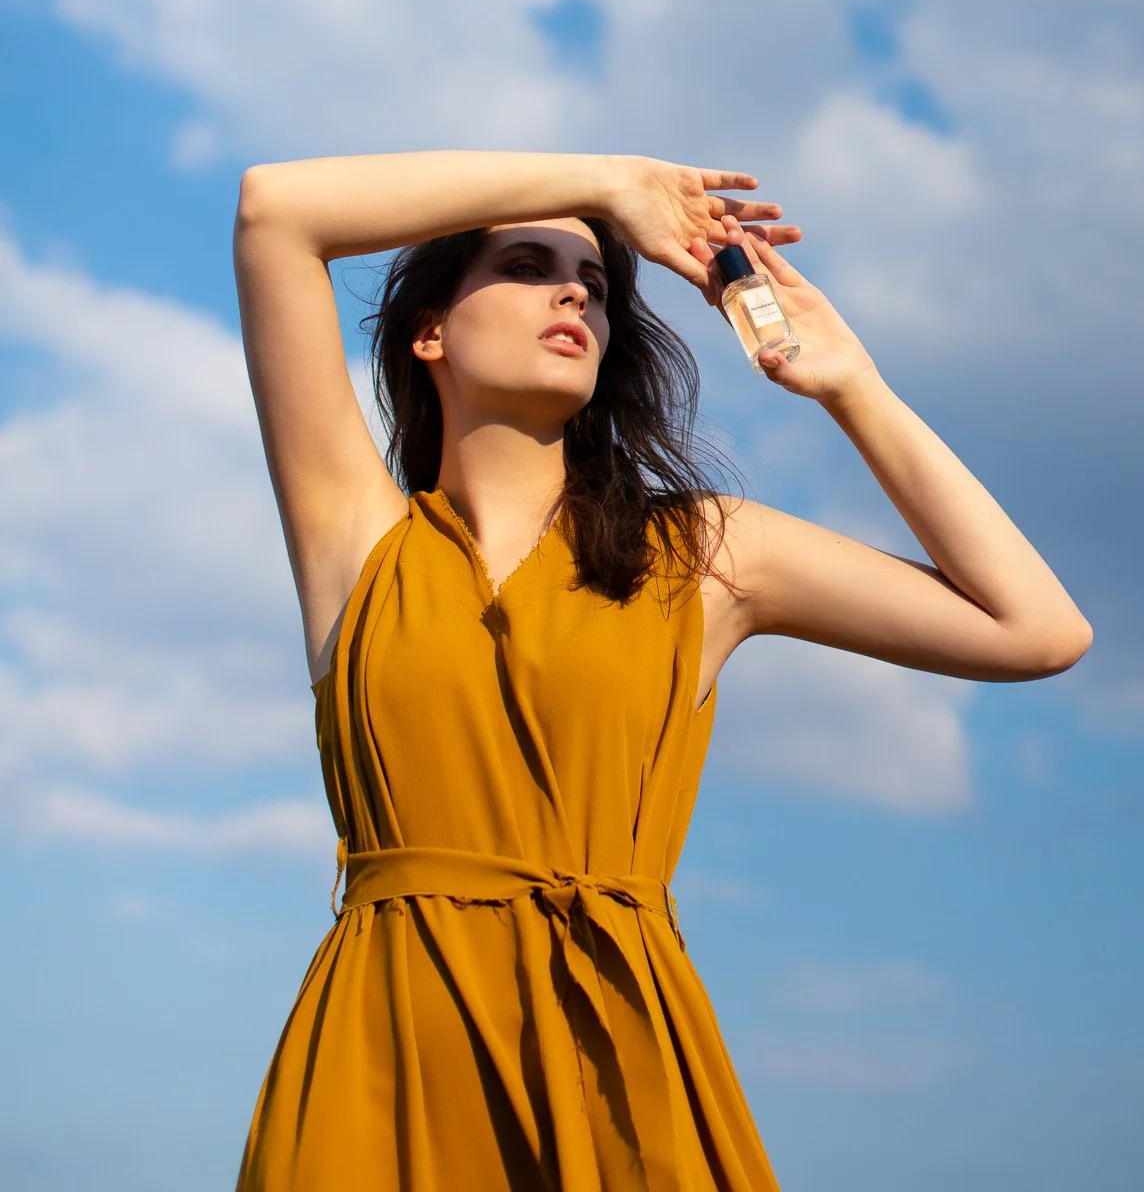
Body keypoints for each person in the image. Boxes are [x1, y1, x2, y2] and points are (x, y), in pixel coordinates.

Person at [231, 149, 1092, 1192]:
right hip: (386, 1050)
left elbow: (1036, 628)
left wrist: (851, 385)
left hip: (623, 1051)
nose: (574, 294)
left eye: (594, 283)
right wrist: (608, 183)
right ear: (430, 329)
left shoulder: (702, 552)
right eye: (527, 263)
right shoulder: (357, 539)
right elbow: (275, 211)